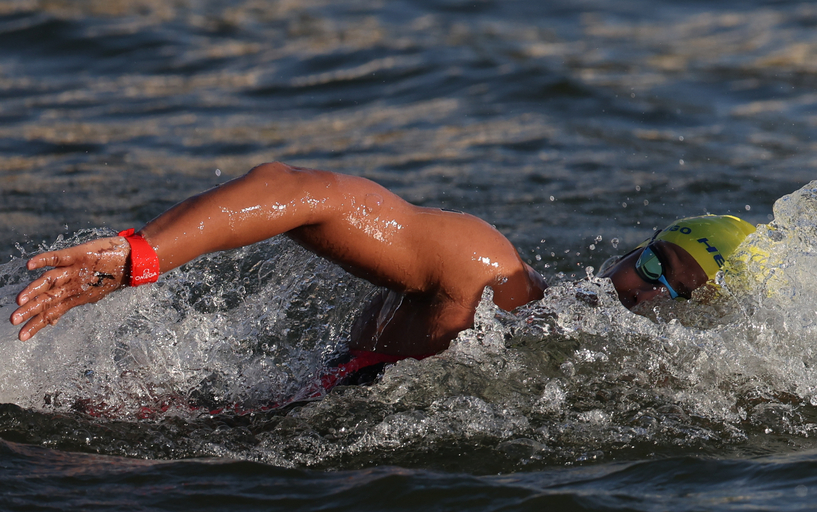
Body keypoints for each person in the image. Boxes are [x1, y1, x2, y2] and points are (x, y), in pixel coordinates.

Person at [9, 162, 756, 373]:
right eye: (655, 264)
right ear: (630, 248)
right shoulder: (487, 276)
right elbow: (304, 194)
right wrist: (144, 255)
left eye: (678, 296)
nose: (645, 294)